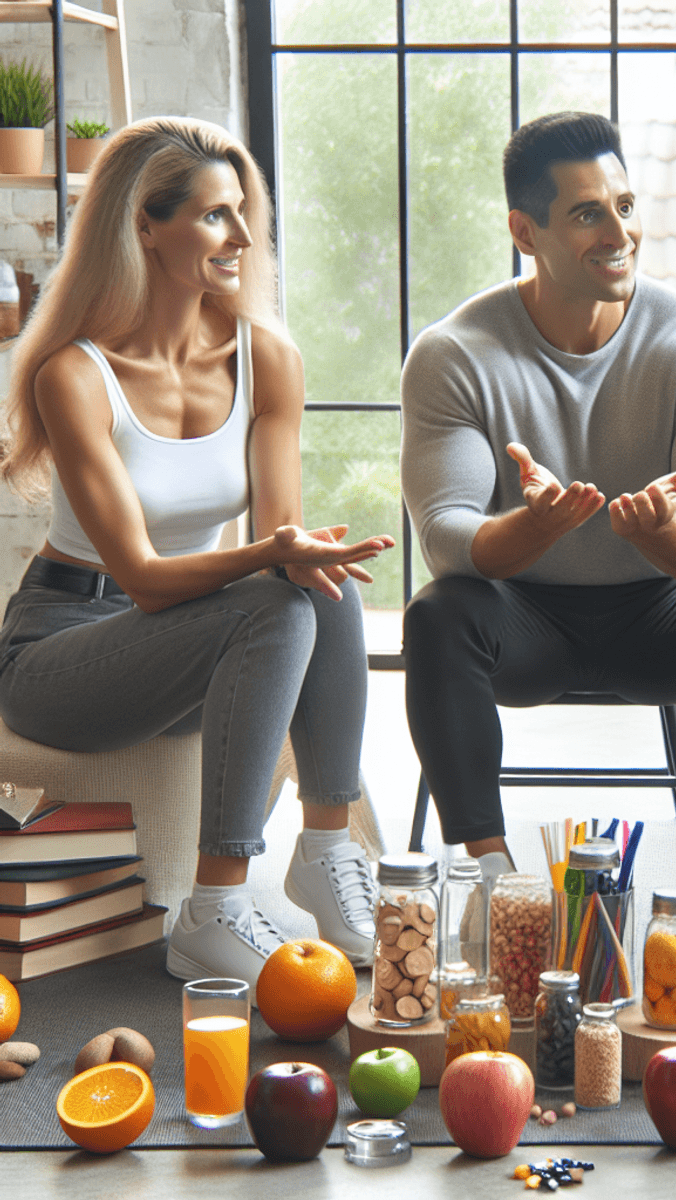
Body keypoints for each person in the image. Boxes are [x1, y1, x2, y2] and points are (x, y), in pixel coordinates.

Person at [0, 117, 395, 998]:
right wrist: (270, 557)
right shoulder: (75, 372)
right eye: (216, 217)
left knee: (318, 582)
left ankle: (326, 849)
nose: (244, 239)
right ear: (145, 225)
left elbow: (283, 544)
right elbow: (139, 575)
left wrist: (290, 554)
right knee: (279, 588)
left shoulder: (267, 359)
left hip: (189, 643)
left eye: (243, 213)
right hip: (63, 647)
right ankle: (213, 911)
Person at [400, 112, 676, 950]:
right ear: (524, 231)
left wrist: (668, 541)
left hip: (662, 614)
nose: (621, 233)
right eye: (587, 213)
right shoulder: (454, 353)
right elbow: (446, 536)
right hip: (523, 619)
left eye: (625, 204)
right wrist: (533, 530)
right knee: (438, 612)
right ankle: (492, 881)